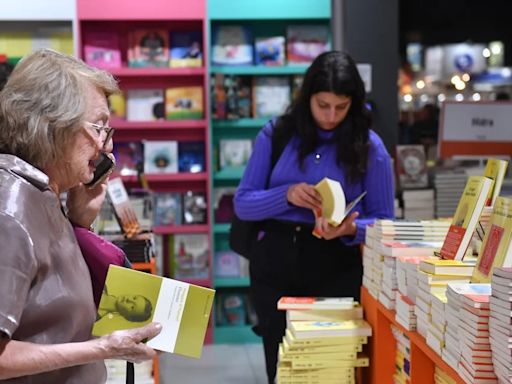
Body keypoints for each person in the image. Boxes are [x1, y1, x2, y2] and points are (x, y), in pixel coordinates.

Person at [0, 49, 161, 382]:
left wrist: (77, 221)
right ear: (54, 125)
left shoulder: (43, 192)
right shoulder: (10, 210)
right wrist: (103, 348)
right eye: (99, 128)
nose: (108, 147)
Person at [234, 51, 395, 383]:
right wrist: (286, 195)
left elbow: (384, 221)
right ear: (307, 97)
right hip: (275, 260)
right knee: (281, 367)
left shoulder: (370, 147)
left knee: (330, 368)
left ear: (354, 103)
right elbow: (243, 204)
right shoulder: (276, 134)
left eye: (341, 106)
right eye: (323, 105)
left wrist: (352, 228)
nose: (331, 116)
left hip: (335, 264)